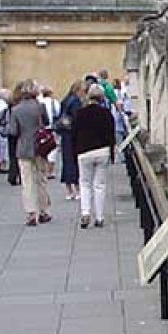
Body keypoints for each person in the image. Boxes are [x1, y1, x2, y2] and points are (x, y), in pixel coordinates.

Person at [8, 79, 52, 226]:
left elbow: (13, 131)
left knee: (27, 182)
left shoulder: (16, 110)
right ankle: (44, 211)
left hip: (23, 148)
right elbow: (46, 123)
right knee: (41, 180)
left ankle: (31, 213)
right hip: (40, 147)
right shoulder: (40, 107)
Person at [72, 83, 116, 229]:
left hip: (84, 150)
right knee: (100, 184)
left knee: (85, 183)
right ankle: (99, 217)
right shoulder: (106, 113)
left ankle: (85, 212)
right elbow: (111, 135)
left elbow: (74, 134)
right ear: (102, 97)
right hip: (102, 150)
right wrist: (112, 153)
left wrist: (74, 152)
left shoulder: (80, 113)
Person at [59, 79, 86, 200]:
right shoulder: (75, 102)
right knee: (74, 162)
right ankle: (77, 189)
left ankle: (69, 190)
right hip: (73, 135)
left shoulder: (65, 100)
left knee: (66, 161)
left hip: (65, 134)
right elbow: (77, 119)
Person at [39, 85, 61, 179]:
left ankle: (43, 169)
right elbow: (58, 113)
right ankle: (50, 170)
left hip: (42, 128)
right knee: (53, 149)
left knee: (43, 148)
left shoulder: (39, 102)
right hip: (53, 127)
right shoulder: (54, 102)